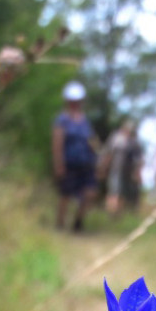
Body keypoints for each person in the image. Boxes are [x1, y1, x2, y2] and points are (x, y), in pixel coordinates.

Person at [52, 81, 99, 232]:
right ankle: (60, 224)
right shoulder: (62, 120)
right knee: (65, 195)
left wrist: (99, 155)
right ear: (67, 101)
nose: (75, 104)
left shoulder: (85, 121)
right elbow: (57, 144)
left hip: (86, 164)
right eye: (73, 101)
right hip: (69, 163)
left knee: (90, 193)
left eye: (78, 101)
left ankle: (78, 223)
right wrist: (59, 165)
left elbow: (92, 141)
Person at [98, 119, 143, 215]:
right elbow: (107, 153)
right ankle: (111, 213)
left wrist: (137, 173)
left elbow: (138, 159)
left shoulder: (134, 142)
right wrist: (103, 168)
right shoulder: (115, 138)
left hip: (128, 173)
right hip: (114, 170)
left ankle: (117, 215)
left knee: (122, 195)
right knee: (113, 192)